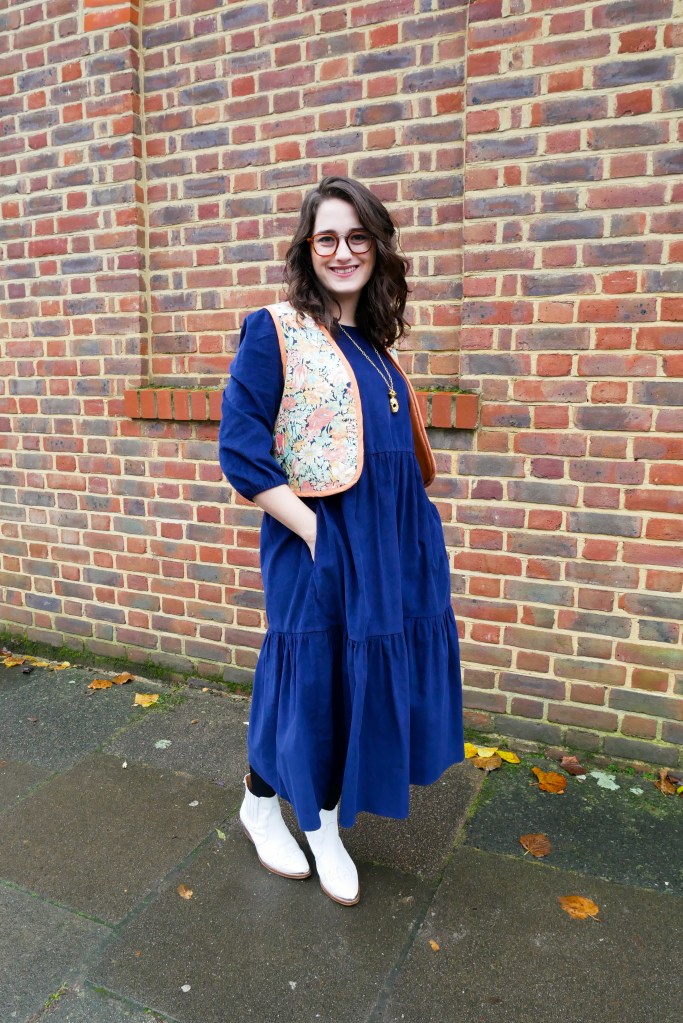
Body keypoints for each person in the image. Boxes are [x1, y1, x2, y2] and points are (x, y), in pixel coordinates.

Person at [218, 176, 463, 907]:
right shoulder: (275, 329)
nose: (343, 251)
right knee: (312, 680)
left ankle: (271, 805)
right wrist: (316, 533)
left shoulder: (377, 344)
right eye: (326, 237)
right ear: (306, 248)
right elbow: (240, 452)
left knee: (350, 683)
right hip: (318, 540)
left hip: (390, 544)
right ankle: (311, 822)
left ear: (377, 248)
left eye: (358, 237)